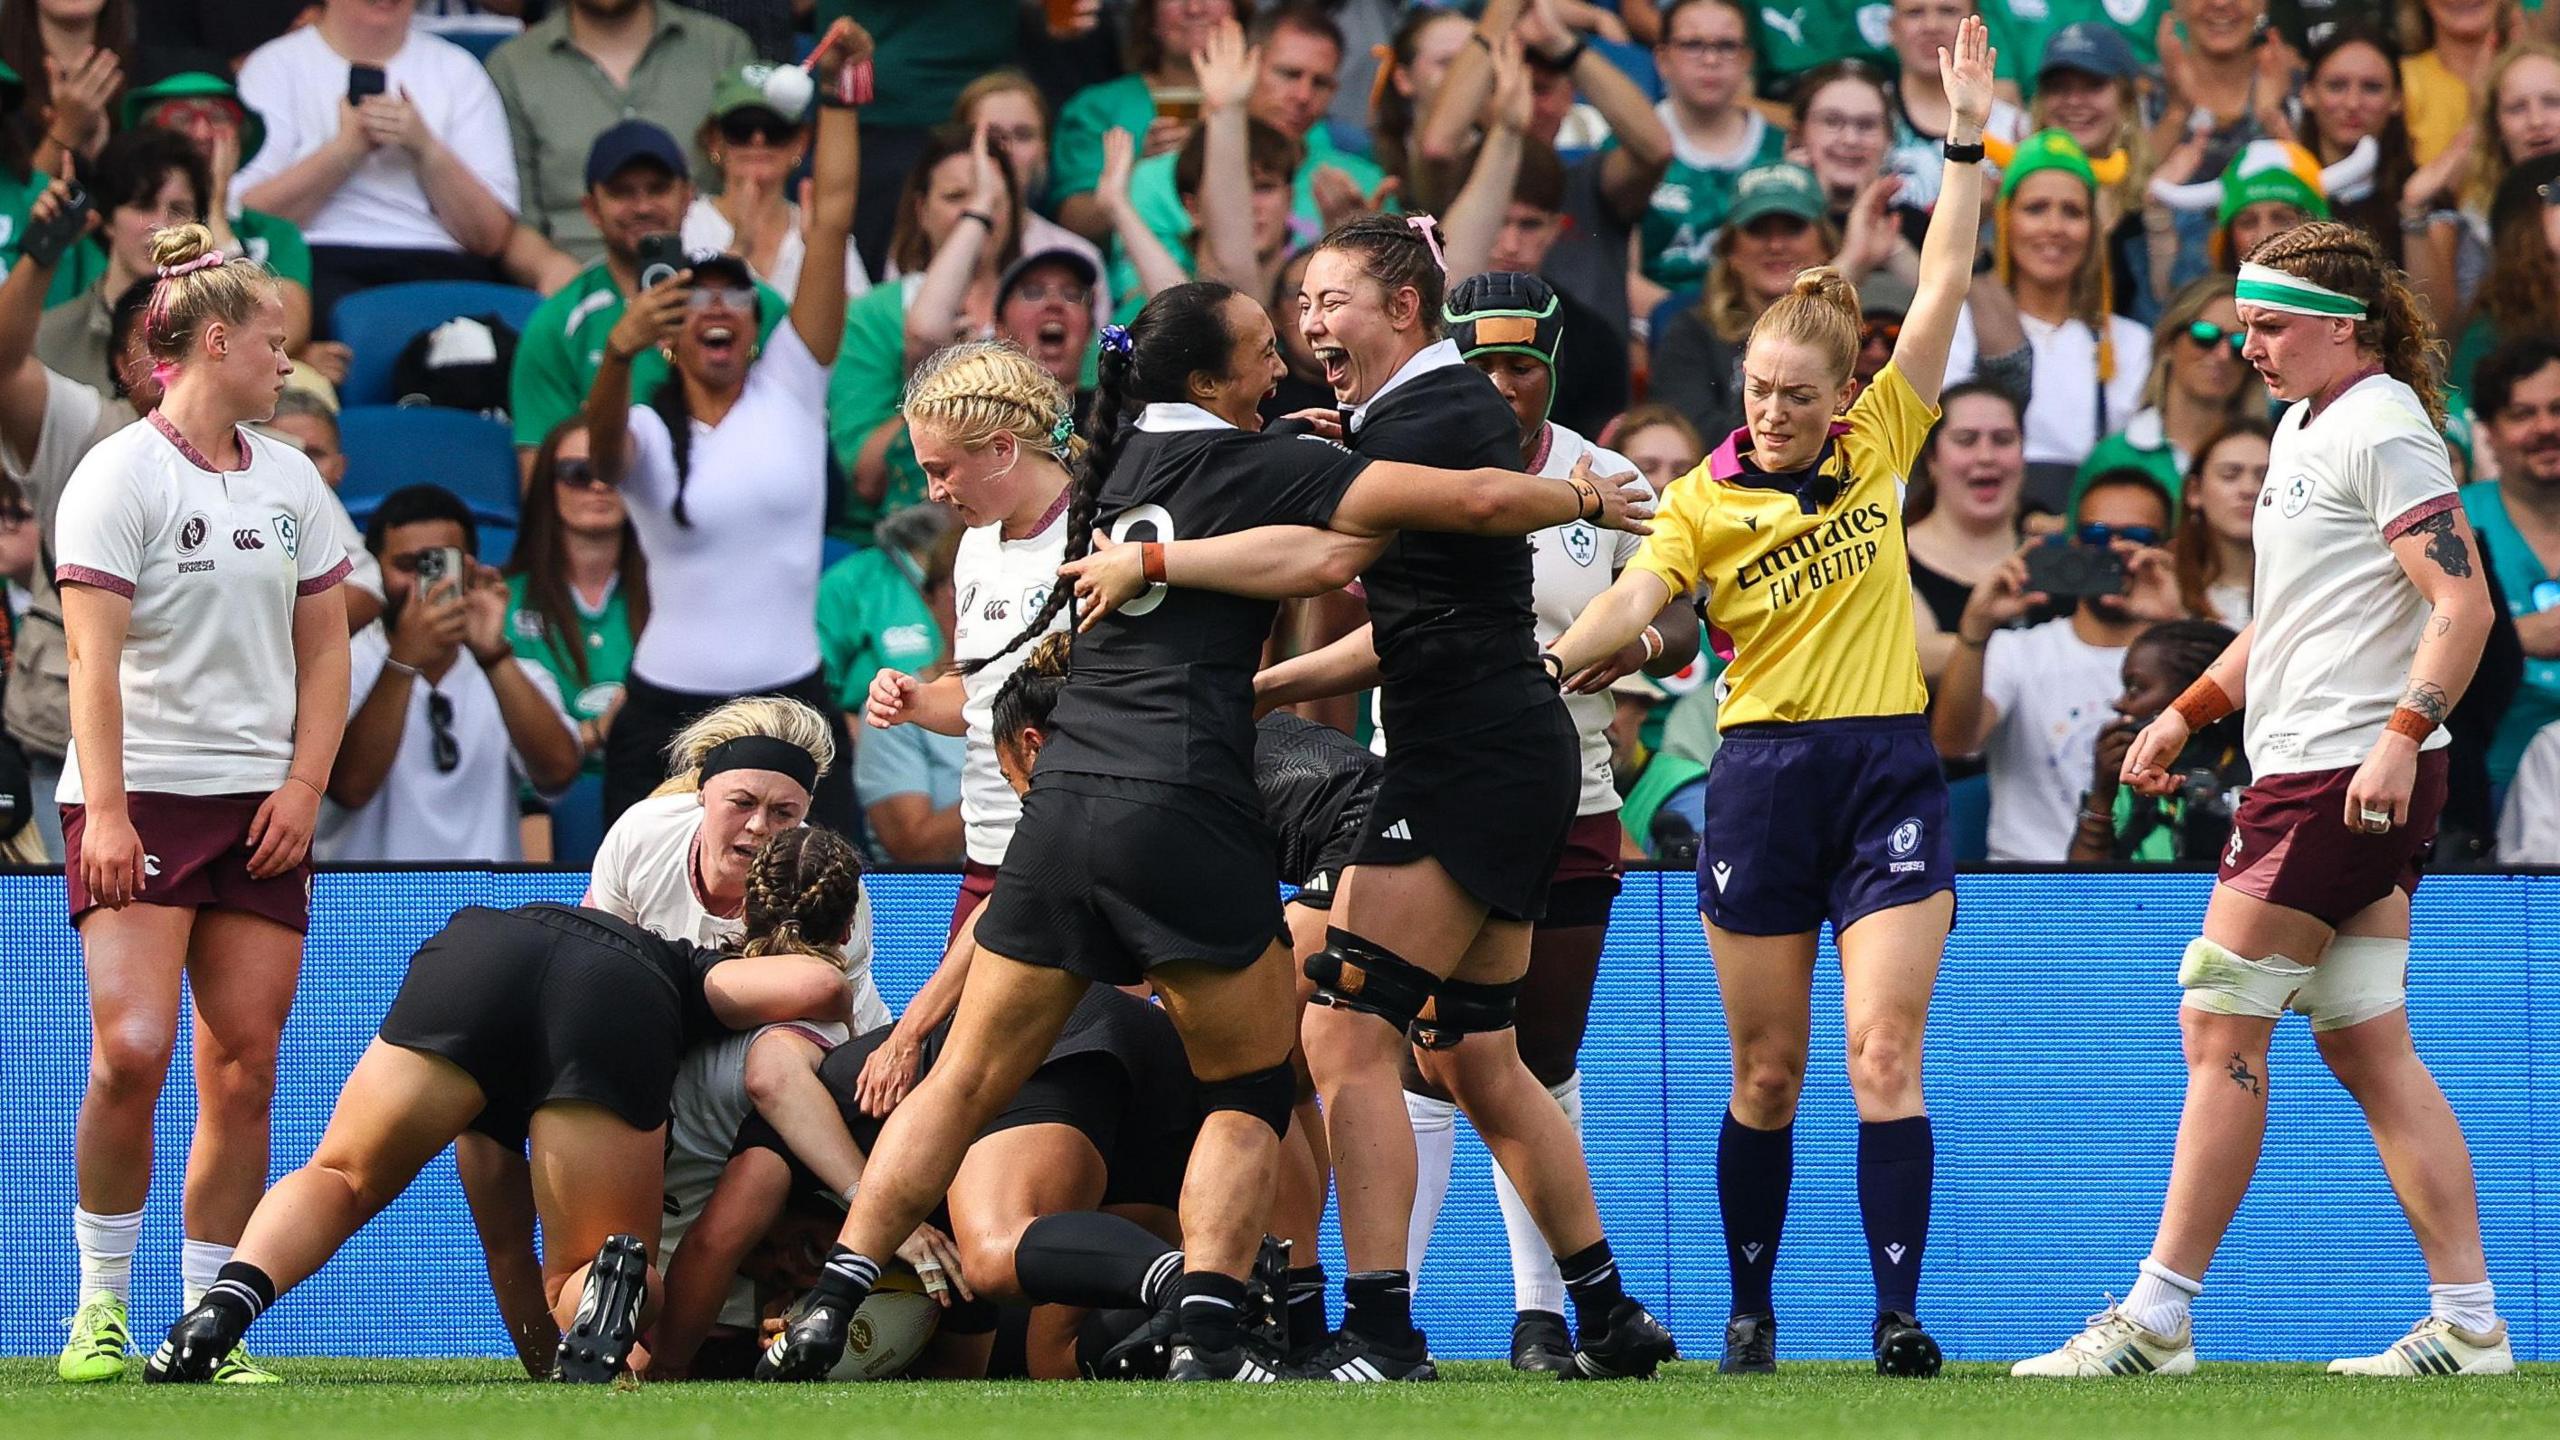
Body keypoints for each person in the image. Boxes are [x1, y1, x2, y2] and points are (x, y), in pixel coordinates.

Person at [753, 276, 1656, 1385]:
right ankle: (1236, 1328)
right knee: (1266, 1080)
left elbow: (1215, 510)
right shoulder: (1281, 468)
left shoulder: (1108, 463)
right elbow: (1432, 518)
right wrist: (1579, 504)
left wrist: (1196, 537)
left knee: (965, 1080)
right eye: (1263, 348)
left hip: (1062, 807)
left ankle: (831, 1300)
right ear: (1208, 374)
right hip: (1203, 804)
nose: (1283, 361)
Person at [1073, 228, 1675, 1384]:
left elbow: (1321, 558)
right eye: (1299, 300)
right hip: (1502, 753)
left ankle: (1384, 1332)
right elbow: (1404, 631)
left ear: (1404, 308)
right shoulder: (1400, 415)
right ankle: (1606, 1314)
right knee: (1482, 1058)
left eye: (1331, 299)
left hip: (1464, 764)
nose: (1308, 325)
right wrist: (1260, 686)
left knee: (1346, 1032)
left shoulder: (1431, 415)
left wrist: (1153, 567)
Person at [1543, 16, 1999, 1378]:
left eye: (1800, 393)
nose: (1779, 410)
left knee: (1881, 1058)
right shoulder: (1699, 497)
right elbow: (1635, 605)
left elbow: (1947, 277)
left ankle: (1898, 1318)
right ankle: (1750, 1310)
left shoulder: (1883, 437)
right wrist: (1559, 664)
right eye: (1759, 390)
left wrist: (1964, 136)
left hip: (1887, 774)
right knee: (1768, 1076)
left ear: (1846, 387)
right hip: (1761, 778)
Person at [2014, 219, 2508, 1379]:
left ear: (2346, 328)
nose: (2247, 346)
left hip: (2340, 772)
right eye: (2239, 325)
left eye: (2270, 325)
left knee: (2217, 1020)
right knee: (2366, 1041)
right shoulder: (2305, 421)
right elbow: (2289, 622)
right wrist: (2186, 711)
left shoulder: (2384, 423)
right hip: (2322, 764)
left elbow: (2464, 603)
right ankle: (2473, 1323)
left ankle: (2153, 1320)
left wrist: (2399, 735)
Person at [143, 829, 869, 1385]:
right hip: (614, 989)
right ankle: (603, 1289)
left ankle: (223, 1305)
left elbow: (502, 1247)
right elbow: (817, 988)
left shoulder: (631, 917)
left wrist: (546, 1365)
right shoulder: (687, 963)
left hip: (480, 952)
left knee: (341, 1175)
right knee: (591, 1266)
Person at [50, 222, 353, 1386]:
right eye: (273, 345)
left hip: (262, 811)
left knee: (244, 1068)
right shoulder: (117, 475)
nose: (287, 364)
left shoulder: (291, 483)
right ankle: (99, 1308)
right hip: (140, 801)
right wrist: (112, 814)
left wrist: (302, 788)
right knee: (133, 1052)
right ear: (214, 342)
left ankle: (203, 1328)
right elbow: (90, 664)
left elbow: (324, 654)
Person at [1401, 271, 1702, 1374]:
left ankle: (1540, 1319)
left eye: (1520, 363)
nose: (1499, 384)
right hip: (1422, 793)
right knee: (1420, 1057)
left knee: (1538, 1054)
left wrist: (1641, 649)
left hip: (1569, 797)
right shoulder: (1405, 462)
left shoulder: (1609, 478)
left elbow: (1682, 605)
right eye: (1477, 363)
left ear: (1555, 364)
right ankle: (1396, 1314)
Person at [585, 21, 867, 835]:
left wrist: (843, 88)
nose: (718, 309)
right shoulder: (641, 420)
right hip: (667, 714)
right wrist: (616, 352)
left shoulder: (791, 381)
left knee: (818, 898)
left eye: (734, 295)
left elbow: (836, 215)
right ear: (667, 330)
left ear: (756, 317)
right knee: (641, 916)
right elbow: (604, 458)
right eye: (696, 296)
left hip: (793, 705)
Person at [855, 343, 1077, 943]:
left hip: (1078, 856)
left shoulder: (1098, 537)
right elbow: (977, 694)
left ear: (1003, 449)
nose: (932, 493)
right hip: (986, 852)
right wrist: (917, 701)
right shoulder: (974, 544)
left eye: (940, 469)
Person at [318, 483, 581, 861]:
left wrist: (493, 655)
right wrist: (404, 660)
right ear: (375, 570)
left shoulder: (517, 672)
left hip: (484, 907)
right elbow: (350, 788)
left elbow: (558, 773)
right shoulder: (342, 664)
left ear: (472, 568)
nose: (424, 584)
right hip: (366, 905)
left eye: (441, 563)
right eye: (408, 566)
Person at [1934, 472, 2188, 862]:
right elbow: (1954, 742)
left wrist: (2175, 624)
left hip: (2151, 886)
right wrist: (1975, 629)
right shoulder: (2018, 651)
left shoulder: (2188, 654)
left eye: (2136, 538)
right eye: (2097, 538)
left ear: (2166, 549)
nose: (2113, 552)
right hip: (2026, 881)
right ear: (2074, 546)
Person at [507, 120, 784, 471]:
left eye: (658, 188)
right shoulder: (558, 324)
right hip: (610, 513)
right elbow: (542, 481)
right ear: (592, 208)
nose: (642, 207)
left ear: (687, 198)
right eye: (622, 192)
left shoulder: (749, 302)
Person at [233, 0, 518, 320]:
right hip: (317, 256)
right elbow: (243, 219)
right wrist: (345, 152)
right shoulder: (274, 66)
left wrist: (426, 148)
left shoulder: (458, 70)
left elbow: (491, 238)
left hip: (440, 260)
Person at [828, 123, 1026, 536]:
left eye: (992, 198)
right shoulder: (873, 315)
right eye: (957, 198)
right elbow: (865, 476)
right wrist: (944, 385)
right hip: (904, 544)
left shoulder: (1044, 303)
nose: (982, 212)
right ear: (921, 210)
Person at [484, 0, 754, 269]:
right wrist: (563, 282)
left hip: (712, 278)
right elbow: (513, 224)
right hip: (578, 284)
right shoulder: (511, 66)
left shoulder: (723, 48)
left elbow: (757, 188)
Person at [1974, 130, 2152, 504]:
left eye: (2072, 212)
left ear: (2093, 230)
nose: (2054, 227)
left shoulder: (2132, 344)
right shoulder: (1961, 327)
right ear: (2005, 220)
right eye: (2035, 208)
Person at [113, 68, 319, 366]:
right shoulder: (128, 222)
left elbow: (287, 330)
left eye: (219, 118)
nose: (202, 133)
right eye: (182, 119)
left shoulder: (276, 234)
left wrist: (216, 215)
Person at [504, 419, 647, 782]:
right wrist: (597, 731)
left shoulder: (675, 595)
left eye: (613, 470)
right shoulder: (499, 601)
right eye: (578, 472)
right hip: (537, 805)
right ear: (546, 486)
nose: (598, 485)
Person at [36, 127, 212, 398]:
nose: (161, 226)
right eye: (142, 206)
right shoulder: (48, 338)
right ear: (107, 219)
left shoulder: (222, 336)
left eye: (179, 211)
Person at [1048, 0, 1243, 244]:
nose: (1194, 8)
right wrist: (1141, 171)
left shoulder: (1274, 97)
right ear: (1150, 15)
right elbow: (1074, 223)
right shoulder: (1098, 107)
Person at [682, 62, 873, 304]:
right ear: (713, 141)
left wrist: (819, 252)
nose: (758, 139)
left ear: (801, 143)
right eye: (741, 129)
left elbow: (856, 327)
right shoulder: (684, 224)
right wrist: (739, 245)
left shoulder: (819, 229)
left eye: (775, 130)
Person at [2461, 334, 2560, 791]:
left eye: (2558, 409)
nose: (2546, 427)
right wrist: (2514, 639)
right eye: (2523, 414)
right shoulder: (2453, 523)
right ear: (2490, 433)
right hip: (2489, 783)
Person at [1638, 0, 1788, 291]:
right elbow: (1614, 274)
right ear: (1662, 59)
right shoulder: (1631, 145)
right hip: (1655, 325)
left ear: (1748, 59)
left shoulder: (1782, 148)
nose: (1710, 60)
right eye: (1693, 44)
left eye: (1727, 46)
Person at [2069, 618, 2248, 864]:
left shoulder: (2252, 774)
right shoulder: (2124, 783)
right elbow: (2081, 892)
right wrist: (2102, 794)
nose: (2119, 703)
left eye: (2135, 688)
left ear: (2190, 694)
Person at [2078, 277, 2266, 509]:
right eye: (2205, 335)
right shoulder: (2112, 457)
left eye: (2240, 343)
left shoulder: (2272, 456)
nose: (2223, 355)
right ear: (2168, 341)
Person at [1904, 382, 2030, 682]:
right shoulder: (1891, 553)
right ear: (1932, 458)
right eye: (1966, 440)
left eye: (2003, 440)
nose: (1986, 456)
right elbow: (1911, 655)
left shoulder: (2054, 554)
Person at [2173, 418, 2271, 626]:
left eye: (2265, 477)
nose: (2248, 489)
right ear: (2194, 491)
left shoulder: (2313, 585)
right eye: (2230, 475)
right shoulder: (2164, 581)